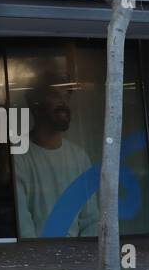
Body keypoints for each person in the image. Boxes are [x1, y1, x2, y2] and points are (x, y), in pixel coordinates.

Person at [13, 84, 98, 238]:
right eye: (55, 95)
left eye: (66, 96)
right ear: (35, 104)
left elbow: (91, 219)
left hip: (77, 255)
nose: (63, 103)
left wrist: (84, 255)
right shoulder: (18, 156)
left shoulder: (79, 157)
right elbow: (23, 225)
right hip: (38, 257)